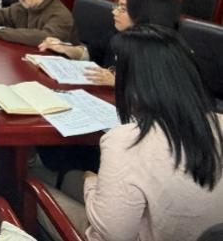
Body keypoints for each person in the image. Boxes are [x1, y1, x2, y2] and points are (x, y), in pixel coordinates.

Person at [81, 25, 223, 241]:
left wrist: (90, 182)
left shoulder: (126, 140)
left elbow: (113, 234)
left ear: (135, 82)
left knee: (43, 183)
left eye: (118, 70)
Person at [39, 0, 180, 86]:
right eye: (117, 6)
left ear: (144, 16)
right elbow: (93, 52)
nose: (114, 12)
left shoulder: (162, 51)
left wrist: (118, 82)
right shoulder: (118, 33)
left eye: (123, 9)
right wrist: (66, 49)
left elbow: (159, 92)